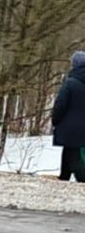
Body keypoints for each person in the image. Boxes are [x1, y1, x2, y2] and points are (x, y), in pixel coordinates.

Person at [51, 50, 85, 182]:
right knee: (69, 150)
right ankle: (64, 175)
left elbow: (61, 105)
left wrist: (55, 120)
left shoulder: (70, 83)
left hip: (70, 126)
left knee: (74, 155)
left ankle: (82, 179)